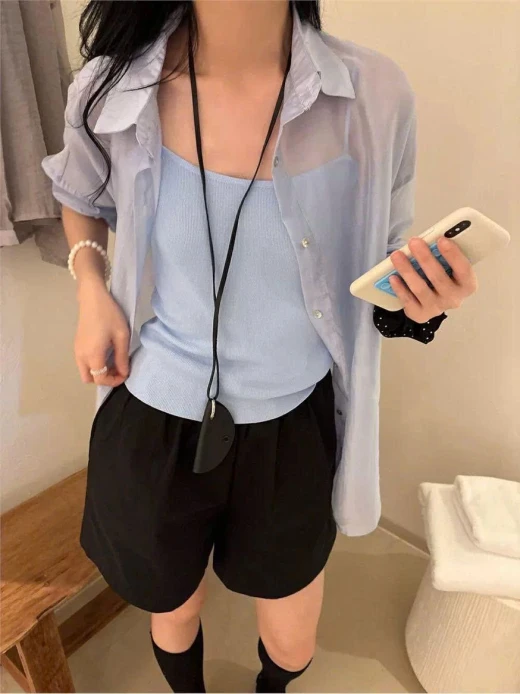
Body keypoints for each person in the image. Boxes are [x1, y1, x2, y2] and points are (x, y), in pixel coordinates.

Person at [42, 1, 477, 691]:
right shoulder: (111, 84)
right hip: (154, 416)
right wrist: (91, 287)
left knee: (293, 634)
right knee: (173, 606)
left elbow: (384, 262)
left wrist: (420, 303)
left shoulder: (374, 95)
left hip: (292, 424)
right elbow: (80, 193)